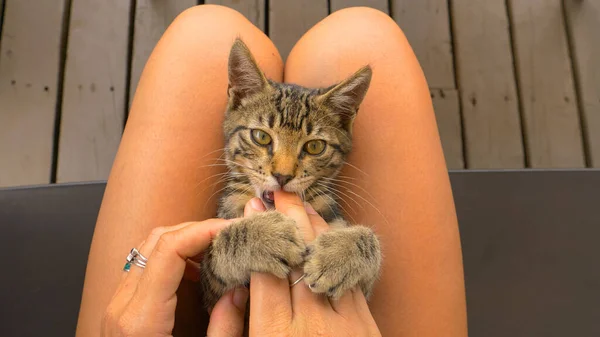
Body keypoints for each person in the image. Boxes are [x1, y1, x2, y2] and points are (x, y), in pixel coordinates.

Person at [75, 5, 467, 337]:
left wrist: (356, 250)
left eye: (312, 147)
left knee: (202, 31)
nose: (283, 169)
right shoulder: (241, 197)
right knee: (363, 33)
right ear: (238, 101)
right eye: (263, 139)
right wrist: (356, 251)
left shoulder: (307, 197)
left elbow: (216, 287)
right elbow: (214, 281)